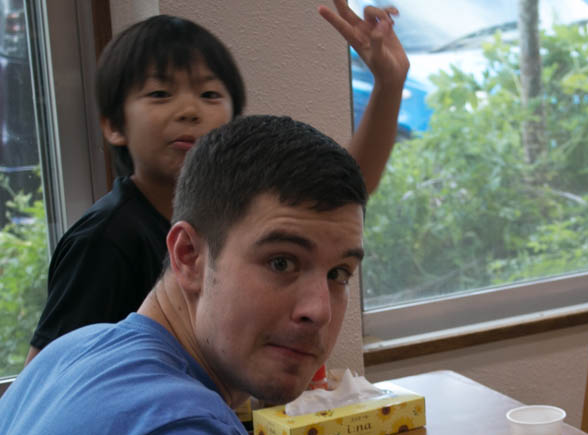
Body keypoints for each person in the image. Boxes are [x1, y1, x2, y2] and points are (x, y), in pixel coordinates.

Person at [0, 115, 492, 435]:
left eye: (338, 273)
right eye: (281, 262)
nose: (319, 309)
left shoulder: (74, 352)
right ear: (188, 256)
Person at [25, 2, 409, 364]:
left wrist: (389, 84)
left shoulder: (232, 209)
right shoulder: (106, 239)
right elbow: (47, 384)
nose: (189, 110)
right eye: (160, 94)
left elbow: (339, 197)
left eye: (209, 94)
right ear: (113, 124)